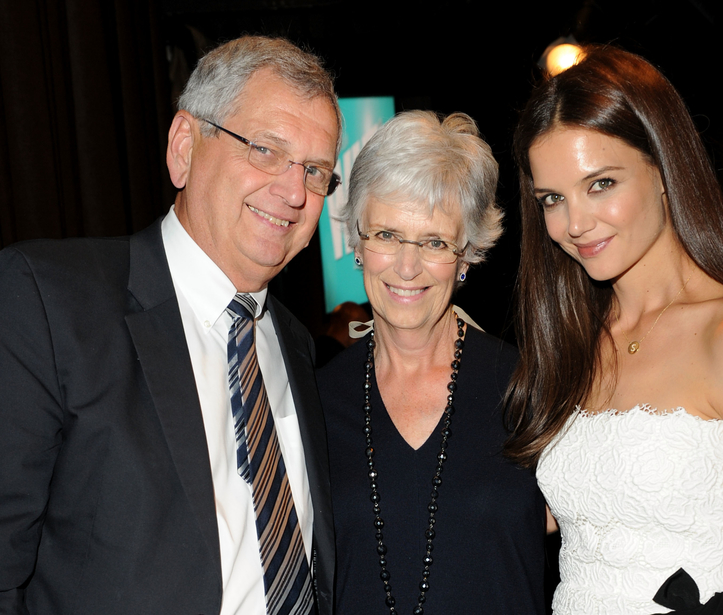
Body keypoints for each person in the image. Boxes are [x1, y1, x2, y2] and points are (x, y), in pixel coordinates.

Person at [0, 36, 341, 615]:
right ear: (184, 146)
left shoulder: (297, 345)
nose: (292, 192)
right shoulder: (47, 302)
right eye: (264, 149)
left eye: (315, 171)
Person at [506, 45, 723, 614]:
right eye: (552, 199)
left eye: (601, 185)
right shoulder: (573, 340)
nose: (574, 224)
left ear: (664, 169)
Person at [317, 110, 547, 615]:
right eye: (387, 235)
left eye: (434, 242)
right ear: (357, 241)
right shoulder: (314, 400)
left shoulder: (530, 388)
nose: (406, 266)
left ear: (467, 257)